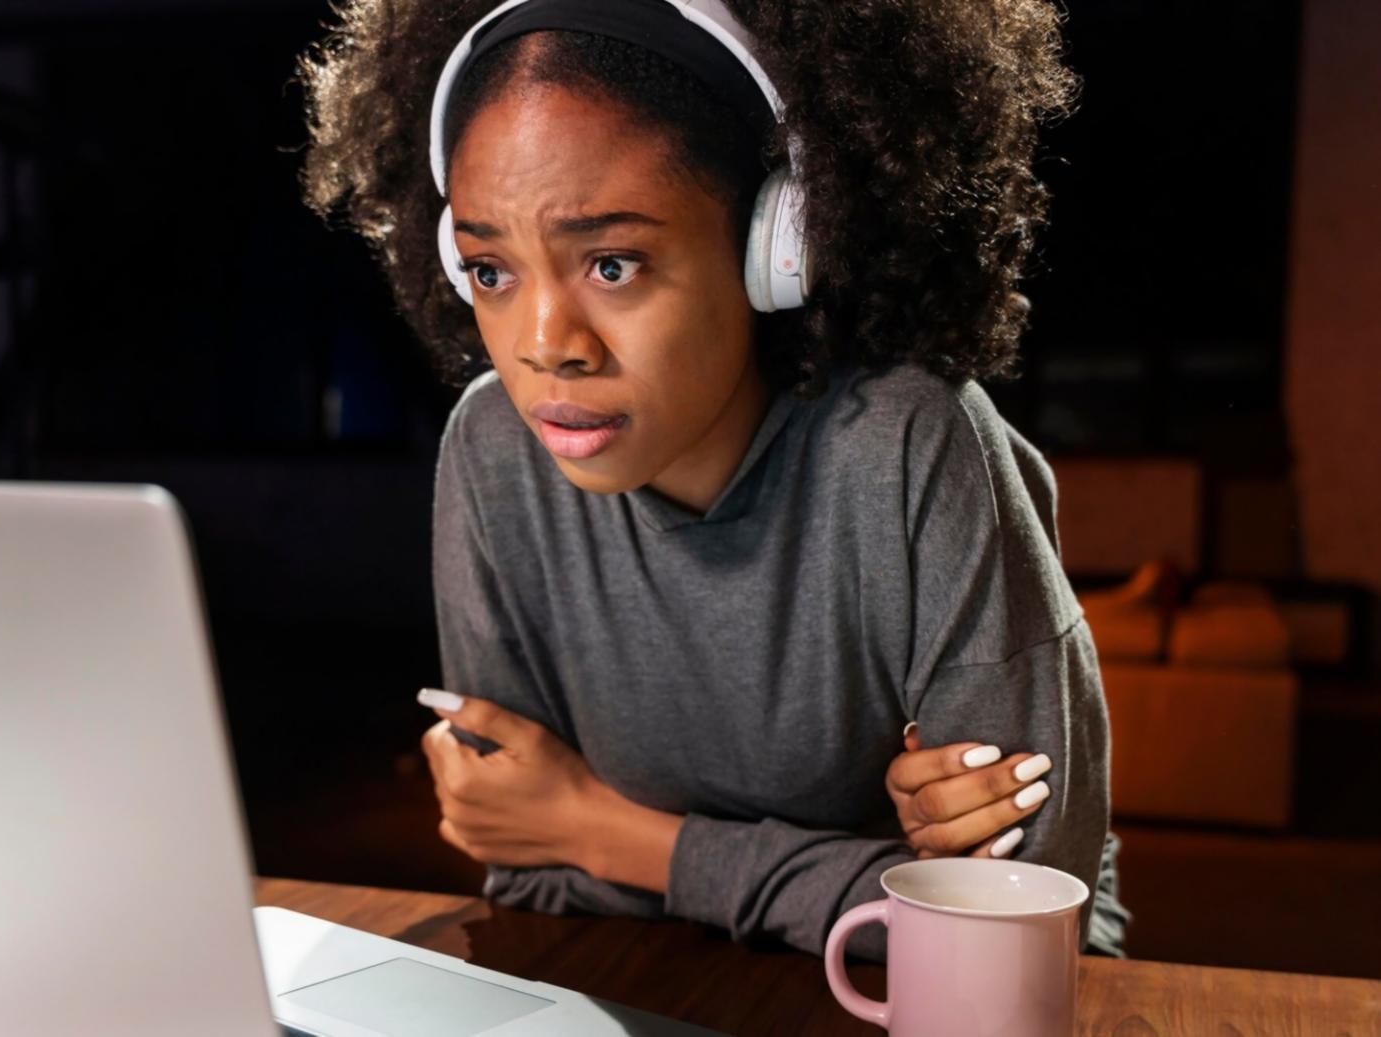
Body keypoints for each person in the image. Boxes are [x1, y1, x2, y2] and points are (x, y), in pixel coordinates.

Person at [297, 0, 1130, 961]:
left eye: (611, 263)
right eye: (490, 270)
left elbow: (1011, 923)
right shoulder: (495, 447)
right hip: (643, 986)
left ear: (777, 247)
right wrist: (871, 868)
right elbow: (528, 870)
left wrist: (607, 833)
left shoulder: (907, 444)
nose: (542, 349)